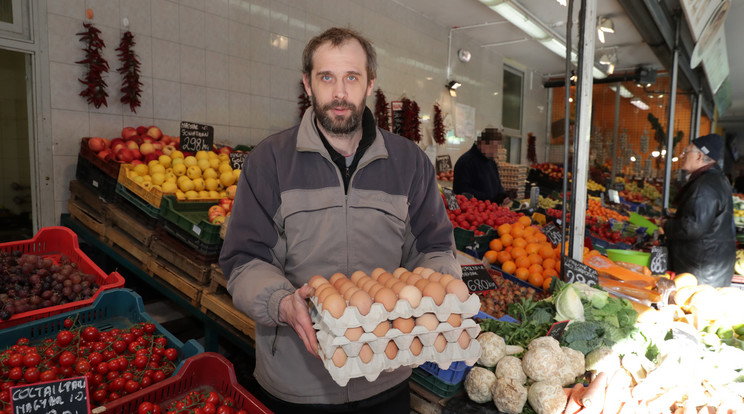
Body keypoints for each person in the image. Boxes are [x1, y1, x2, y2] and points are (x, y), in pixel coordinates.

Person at [219, 27, 460, 413]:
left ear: (370, 85)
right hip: (297, 381)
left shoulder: (409, 162)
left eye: (352, 77)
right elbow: (243, 260)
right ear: (307, 84)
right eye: (326, 77)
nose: (340, 93)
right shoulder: (270, 161)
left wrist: (434, 288)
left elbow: (434, 247)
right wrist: (280, 302)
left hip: (386, 372)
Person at [662, 133, 735, 287]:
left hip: (702, 270)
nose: (682, 156)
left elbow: (692, 227)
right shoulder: (715, 179)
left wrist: (666, 224)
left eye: (686, 152)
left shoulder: (705, 185)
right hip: (709, 266)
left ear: (699, 156)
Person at [452, 132, 511, 206]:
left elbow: (497, 185)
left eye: (497, 148)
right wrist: (487, 197)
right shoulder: (466, 162)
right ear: (482, 144)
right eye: (493, 147)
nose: (495, 152)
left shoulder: (491, 162)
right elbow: (461, 191)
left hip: (491, 211)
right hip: (473, 212)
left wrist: (503, 197)